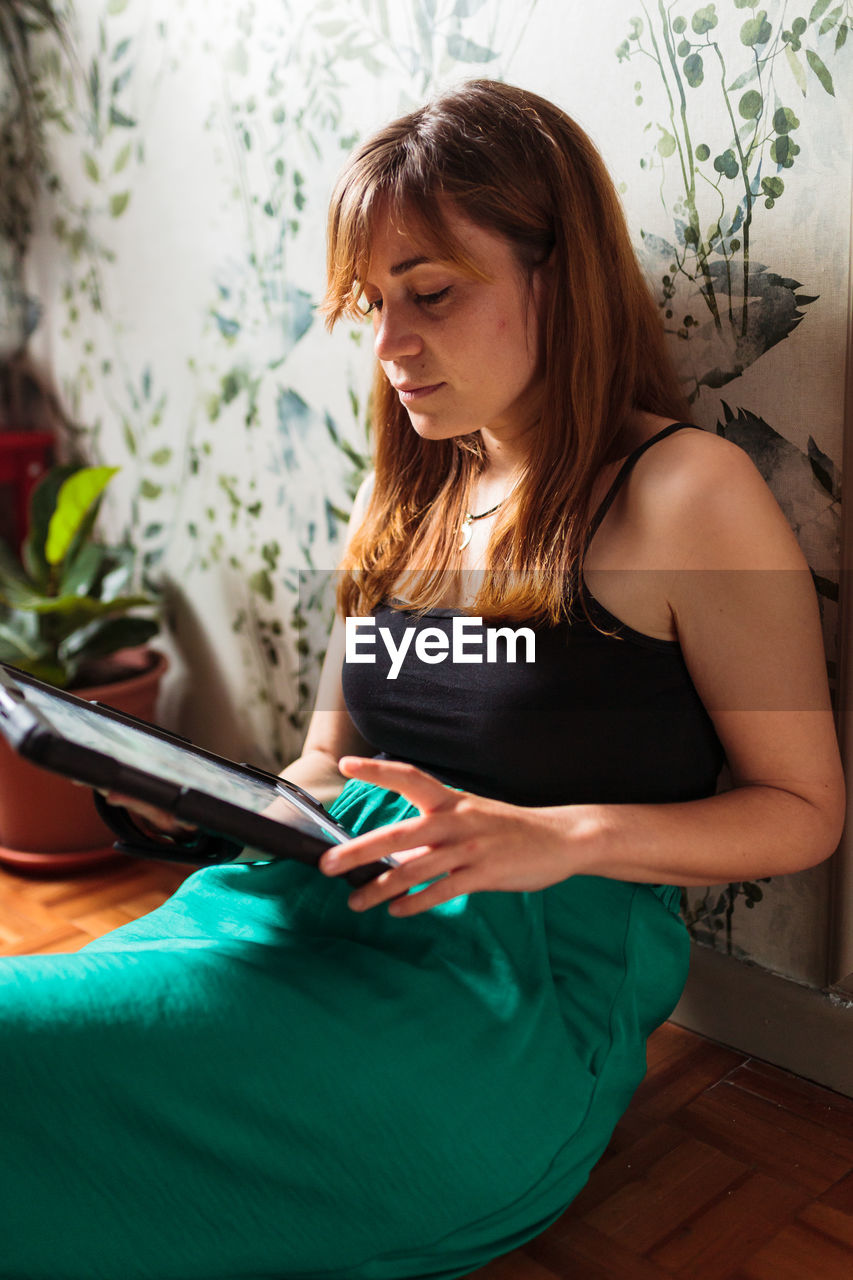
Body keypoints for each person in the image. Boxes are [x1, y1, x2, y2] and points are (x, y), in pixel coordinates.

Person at [0, 80, 844, 1280]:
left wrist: (552, 837)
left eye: (431, 295)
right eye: (374, 304)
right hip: (303, 911)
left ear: (557, 276)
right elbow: (322, 763)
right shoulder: (409, 483)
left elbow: (804, 812)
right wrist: (177, 800)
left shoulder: (683, 491)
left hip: (509, 993)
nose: (391, 347)